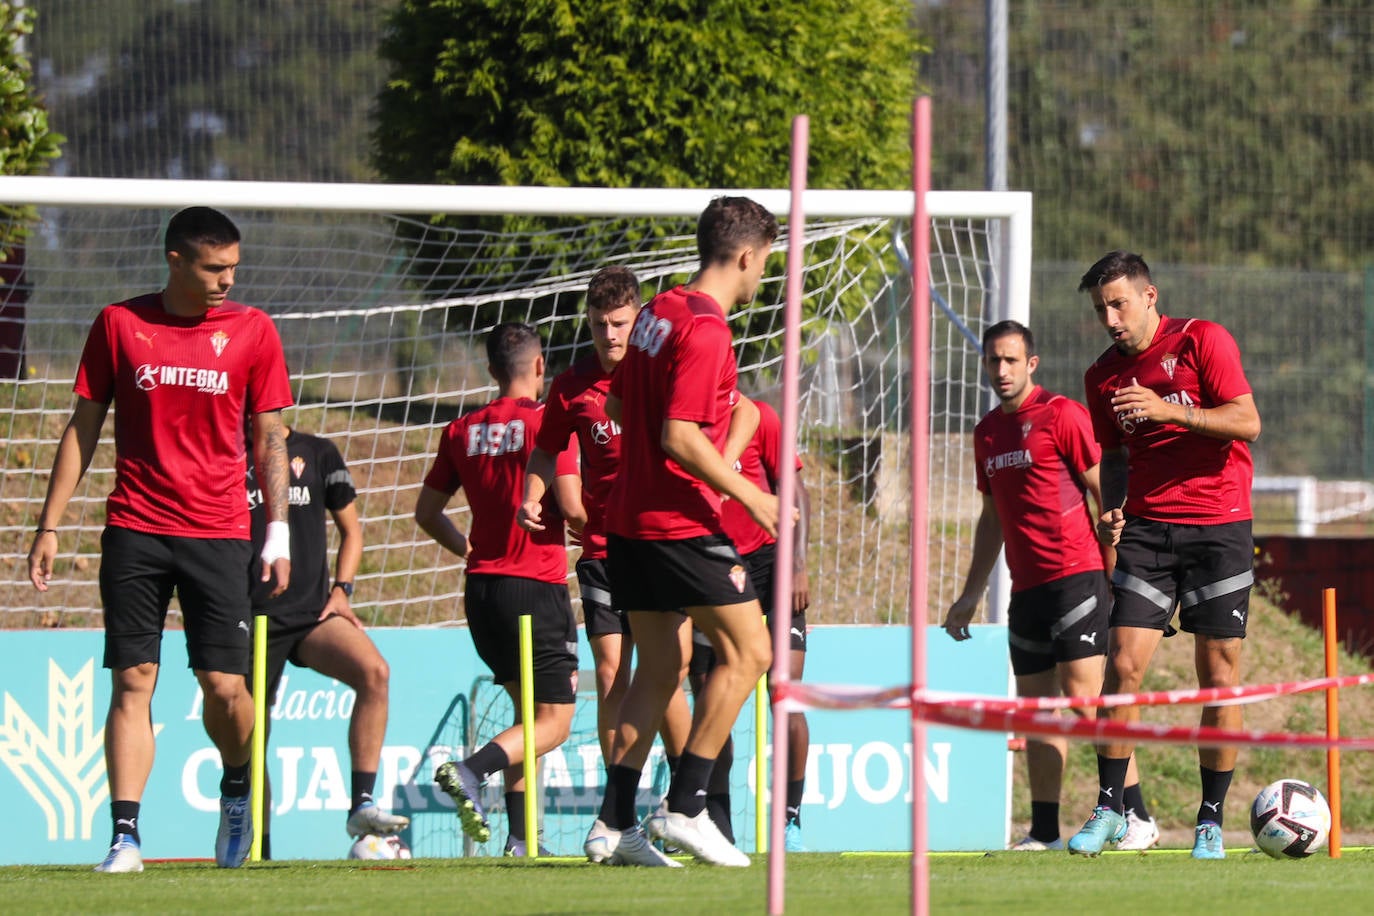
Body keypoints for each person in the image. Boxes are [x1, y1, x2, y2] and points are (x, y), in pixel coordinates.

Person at [27, 206, 294, 873]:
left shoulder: (254, 331)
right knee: (133, 679)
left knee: (225, 687)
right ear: (176, 261)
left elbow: (271, 437)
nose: (227, 280)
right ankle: (125, 837)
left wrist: (280, 530)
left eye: (233, 267)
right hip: (135, 527)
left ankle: (236, 787)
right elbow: (82, 427)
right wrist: (50, 523)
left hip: (220, 531)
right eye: (214, 268)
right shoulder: (120, 324)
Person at [580, 196, 781, 868]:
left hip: (626, 523)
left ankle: (614, 824)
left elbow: (615, 402)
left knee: (660, 667)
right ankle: (688, 805)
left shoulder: (658, 312)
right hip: (676, 523)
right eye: (765, 264)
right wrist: (751, 493)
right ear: (748, 256)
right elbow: (677, 436)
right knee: (752, 651)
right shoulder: (707, 329)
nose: (761, 278)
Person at [1067, 251, 1260, 859]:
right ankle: (1109, 810)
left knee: (1218, 678)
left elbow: (1248, 422)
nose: (1110, 318)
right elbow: (1117, 456)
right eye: (1101, 308)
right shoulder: (1101, 376)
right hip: (1149, 531)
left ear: (1150, 297)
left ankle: (1209, 821)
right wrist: (1115, 504)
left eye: (1119, 303)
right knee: (1121, 666)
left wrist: (1168, 408)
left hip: (1219, 526)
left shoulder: (1203, 340)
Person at [942, 320, 1157, 852]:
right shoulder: (986, 432)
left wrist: (1119, 568)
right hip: (1026, 590)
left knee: (1087, 703)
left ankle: (1138, 817)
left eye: (1012, 360)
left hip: (1078, 580)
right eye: (994, 361)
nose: (1002, 370)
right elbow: (991, 517)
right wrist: (970, 593)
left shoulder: (1061, 414)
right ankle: (1043, 832)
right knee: (1036, 711)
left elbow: (1103, 491)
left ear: (1031, 363)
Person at [517, 266, 693, 782]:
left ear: (638, 318)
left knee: (666, 672)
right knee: (614, 672)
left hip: (661, 542)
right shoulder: (572, 386)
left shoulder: (661, 372)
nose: (609, 335)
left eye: (618, 323)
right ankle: (619, 809)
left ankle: (690, 794)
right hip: (602, 548)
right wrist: (531, 497)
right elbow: (545, 452)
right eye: (599, 325)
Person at [417, 322, 583, 857]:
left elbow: (427, 513)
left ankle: (518, 840)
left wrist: (466, 547)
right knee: (554, 722)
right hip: (535, 586)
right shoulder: (549, 425)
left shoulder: (462, 429)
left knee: (526, 719)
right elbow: (570, 504)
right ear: (541, 368)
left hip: (482, 590)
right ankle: (470, 771)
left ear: (491, 370)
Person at [247, 424, 409, 857]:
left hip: (312, 615)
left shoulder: (318, 453)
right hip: (252, 617)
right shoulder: (228, 451)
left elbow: (352, 531)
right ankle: (257, 848)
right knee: (249, 737)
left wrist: (343, 589)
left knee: (375, 672)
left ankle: (361, 804)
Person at [691, 397, 813, 852]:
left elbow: (796, 492)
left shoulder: (760, 415)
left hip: (771, 563)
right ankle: (716, 823)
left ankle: (790, 820)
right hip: (713, 566)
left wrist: (797, 564)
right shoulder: (683, 424)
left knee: (785, 691)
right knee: (709, 694)